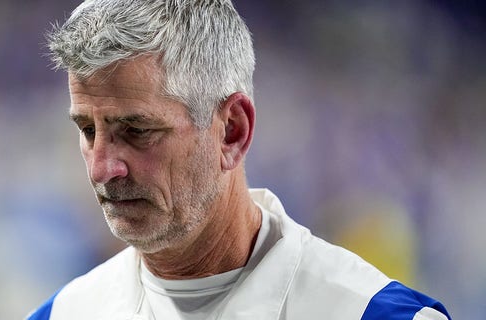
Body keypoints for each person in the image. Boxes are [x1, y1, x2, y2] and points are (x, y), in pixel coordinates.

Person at [27, 0, 451, 319]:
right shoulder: (62, 314)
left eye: (137, 131)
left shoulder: (371, 313)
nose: (103, 169)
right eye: (87, 131)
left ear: (232, 130)